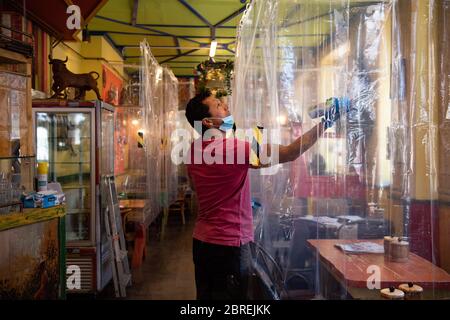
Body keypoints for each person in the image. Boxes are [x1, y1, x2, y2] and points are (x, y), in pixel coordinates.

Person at [184, 90, 342, 300]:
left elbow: (196, 187)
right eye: (218, 105)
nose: (226, 106)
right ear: (209, 122)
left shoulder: (192, 150)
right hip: (230, 244)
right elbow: (291, 152)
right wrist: (326, 122)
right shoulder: (235, 150)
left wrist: (227, 191)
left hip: (202, 243)